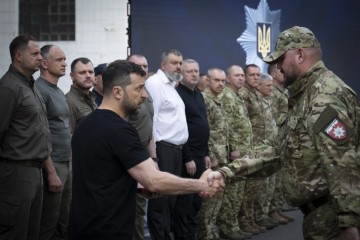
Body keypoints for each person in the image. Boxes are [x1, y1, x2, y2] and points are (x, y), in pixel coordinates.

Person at [68, 60, 225, 240]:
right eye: (139, 89)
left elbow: (102, 175)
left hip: (84, 227)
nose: (144, 95)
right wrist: (201, 184)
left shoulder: (86, 124)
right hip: (108, 230)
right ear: (117, 92)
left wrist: (136, 186)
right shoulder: (120, 131)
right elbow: (154, 181)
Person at [263, 26, 360, 240]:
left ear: (299, 55)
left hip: (332, 219)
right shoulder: (306, 92)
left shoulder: (323, 94)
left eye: (281, 58)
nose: (278, 66)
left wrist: (348, 223)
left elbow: (343, 161)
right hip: (321, 216)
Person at [0, 35, 52, 240]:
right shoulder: (8, 88)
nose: (40, 57)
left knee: (32, 233)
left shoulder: (30, 86)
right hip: (15, 172)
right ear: (18, 56)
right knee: (14, 233)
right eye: (35, 53)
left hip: (35, 171)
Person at [145, 49, 188, 240]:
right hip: (163, 149)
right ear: (163, 65)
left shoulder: (172, 85)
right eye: (174, 63)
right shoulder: (155, 83)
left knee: (170, 200)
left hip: (176, 150)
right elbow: (151, 119)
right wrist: (153, 154)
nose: (178, 66)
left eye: (180, 63)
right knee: (160, 202)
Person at [35, 44, 72, 240]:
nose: (65, 63)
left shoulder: (57, 91)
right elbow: (41, 134)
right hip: (53, 163)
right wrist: (50, 172)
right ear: (44, 63)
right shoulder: (40, 90)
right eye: (59, 60)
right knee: (48, 222)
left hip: (66, 162)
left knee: (63, 219)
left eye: (65, 59)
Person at [173, 59, 210, 240]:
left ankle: (191, 236)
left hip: (200, 154)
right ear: (181, 74)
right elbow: (180, 128)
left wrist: (206, 154)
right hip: (187, 156)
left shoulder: (199, 95)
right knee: (185, 202)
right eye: (190, 71)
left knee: (197, 201)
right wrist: (188, 157)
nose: (194, 74)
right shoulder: (177, 94)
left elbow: (203, 126)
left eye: (196, 71)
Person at [217, 65, 253, 240]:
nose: (241, 78)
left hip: (244, 151)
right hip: (235, 153)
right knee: (231, 191)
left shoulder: (237, 96)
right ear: (228, 79)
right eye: (237, 75)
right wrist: (234, 148)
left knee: (238, 191)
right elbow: (226, 125)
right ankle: (226, 226)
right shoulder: (225, 96)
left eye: (241, 75)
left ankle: (233, 224)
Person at [197, 67, 228, 240]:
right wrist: (212, 156)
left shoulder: (220, 100)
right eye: (216, 80)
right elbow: (204, 131)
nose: (220, 84)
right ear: (207, 81)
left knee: (218, 195)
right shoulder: (204, 100)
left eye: (223, 81)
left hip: (223, 154)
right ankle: (204, 233)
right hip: (212, 157)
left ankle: (212, 230)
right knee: (209, 198)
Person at [127, 53, 155, 240]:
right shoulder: (127, 93)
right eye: (138, 66)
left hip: (143, 156)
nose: (143, 69)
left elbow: (149, 125)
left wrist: (152, 160)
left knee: (140, 207)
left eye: (145, 66)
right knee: (132, 209)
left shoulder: (146, 91)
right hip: (129, 159)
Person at [267, 63, 294, 224]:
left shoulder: (284, 91)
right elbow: (273, 118)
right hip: (276, 137)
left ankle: (277, 209)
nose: (284, 72)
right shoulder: (272, 93)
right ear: (273, 74)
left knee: (279, 178)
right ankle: (272, 211)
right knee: (272, 179)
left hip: (285, 138)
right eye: (280, 70)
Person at [65, 57, 97, 133]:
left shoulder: (92, 97)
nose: (88, 75)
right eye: (82, 72)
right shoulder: (68, 101)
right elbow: (68, 136)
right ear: (72, 76)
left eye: (91, 72)